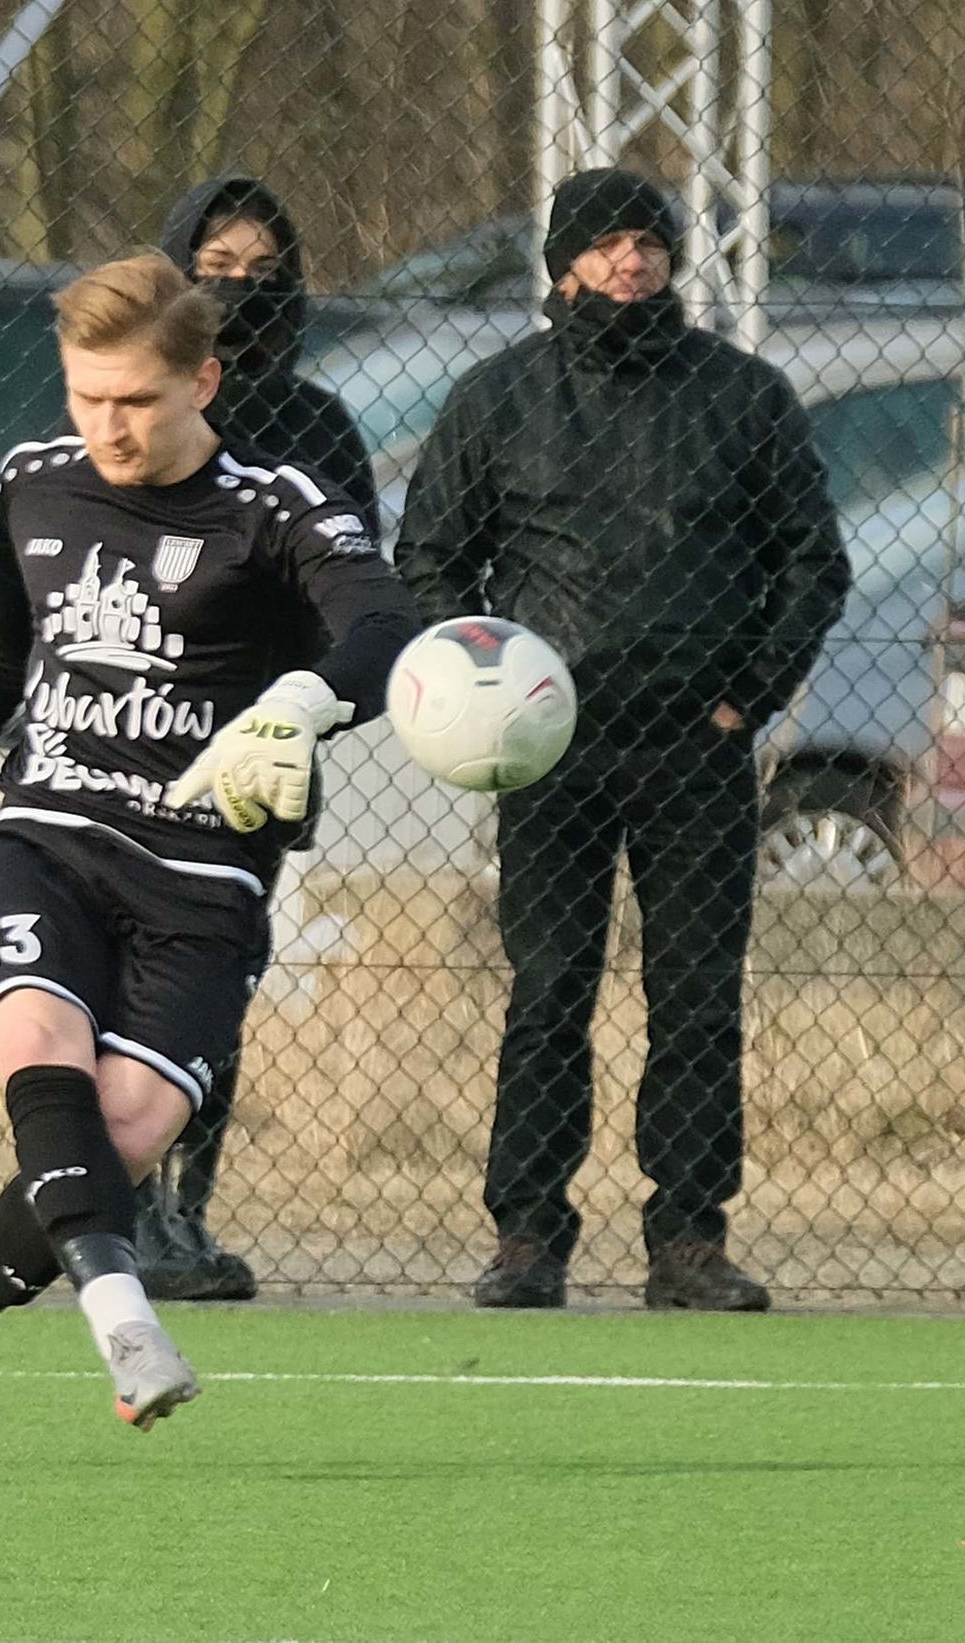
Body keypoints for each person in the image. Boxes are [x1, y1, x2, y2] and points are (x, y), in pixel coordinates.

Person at [0, 249, 417, 1463]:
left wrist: (303, 701)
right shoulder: (34, 483)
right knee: (38, 1047)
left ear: (202, 379)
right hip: (46, 838)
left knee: (126, 1128)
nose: (107, 425)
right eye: (86, 396)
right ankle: (124, 1315)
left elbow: (383, 623)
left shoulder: (277, 508)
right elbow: (1, 641)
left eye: (136, 400)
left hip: (203, 877)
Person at [394, 167, 850, 1312]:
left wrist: (746, 695)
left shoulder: (744, 397)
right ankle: (528, 1234)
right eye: (603, 243)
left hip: (697, 743)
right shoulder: (495, 399)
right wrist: (477, 691)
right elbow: (434, 560)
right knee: (549, 987)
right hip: (546, 749)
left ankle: (690, 1236)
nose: (629, 262)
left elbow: (812, 563)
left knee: (697, 993)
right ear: (561, 263)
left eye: (648, 241)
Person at [131, 176, 379, 1302]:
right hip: (136, 723)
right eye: (216, 264)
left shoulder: (320, 422)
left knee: (217, 970)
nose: (239, 285)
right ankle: (114, 1198)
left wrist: (314, 695)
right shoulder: (140, 399)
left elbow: (362, 587)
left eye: (263, 268)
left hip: (263, 733)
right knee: (122, 967)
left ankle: (182, 1207)